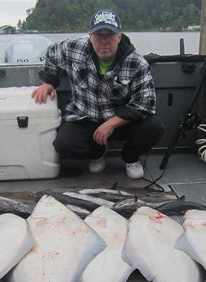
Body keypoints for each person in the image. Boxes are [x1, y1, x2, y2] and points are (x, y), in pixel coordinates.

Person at [32, 8, 163, 179]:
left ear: (119, 36)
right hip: (86, 117)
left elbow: (146, 103)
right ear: (89, 35)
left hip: (120, 121)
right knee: (64, 145)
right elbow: (51, 53)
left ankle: (130, 157)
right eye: (98, 35)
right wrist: (49, 81)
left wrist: (111, 124)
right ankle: (97, 152)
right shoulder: (73, 47)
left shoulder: (137, 62)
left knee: (154, 127)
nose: (104, 41)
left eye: (109, 35)